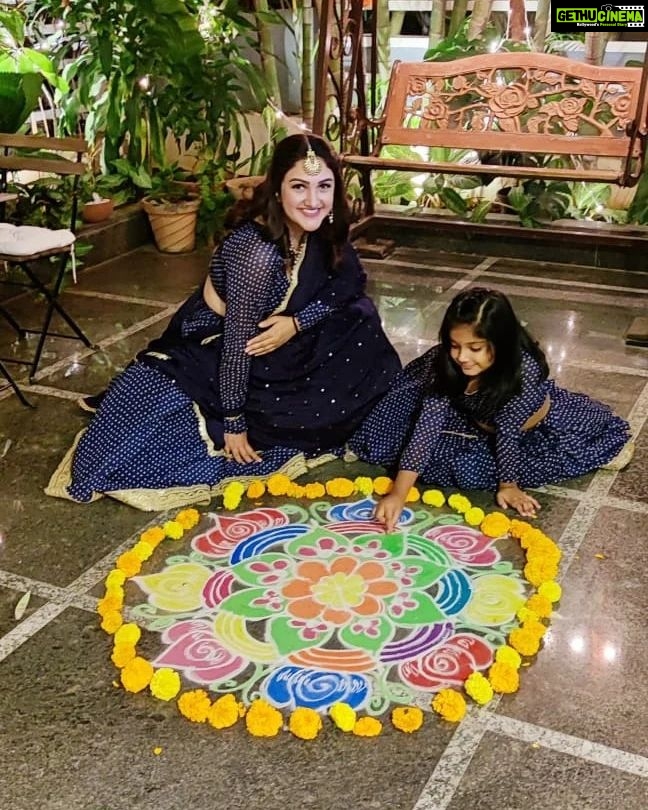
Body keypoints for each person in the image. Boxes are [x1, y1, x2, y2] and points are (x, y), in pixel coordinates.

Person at [47, 134, 401, 510]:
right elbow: (237, 344)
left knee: (358, 317)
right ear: (278, 190)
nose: (314, 200)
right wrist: (234, 422)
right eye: (299, 186)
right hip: (219, 346)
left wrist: (297, 322)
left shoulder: (324, 228)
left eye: (324, 186)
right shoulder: (257, 253)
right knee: (137, 446)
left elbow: (349, 283)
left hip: (275, 337)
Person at [349, 287, 633, 529]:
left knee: (471, 470)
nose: (462, 357)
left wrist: (508, 485)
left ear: (500, 344)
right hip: (470, 418)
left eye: (475, 348)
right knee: (393, 431)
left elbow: (508, 434)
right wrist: (398, 494)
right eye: (455, 345)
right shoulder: (444, 363)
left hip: (523, 432)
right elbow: (427, 427)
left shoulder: (523, 372)